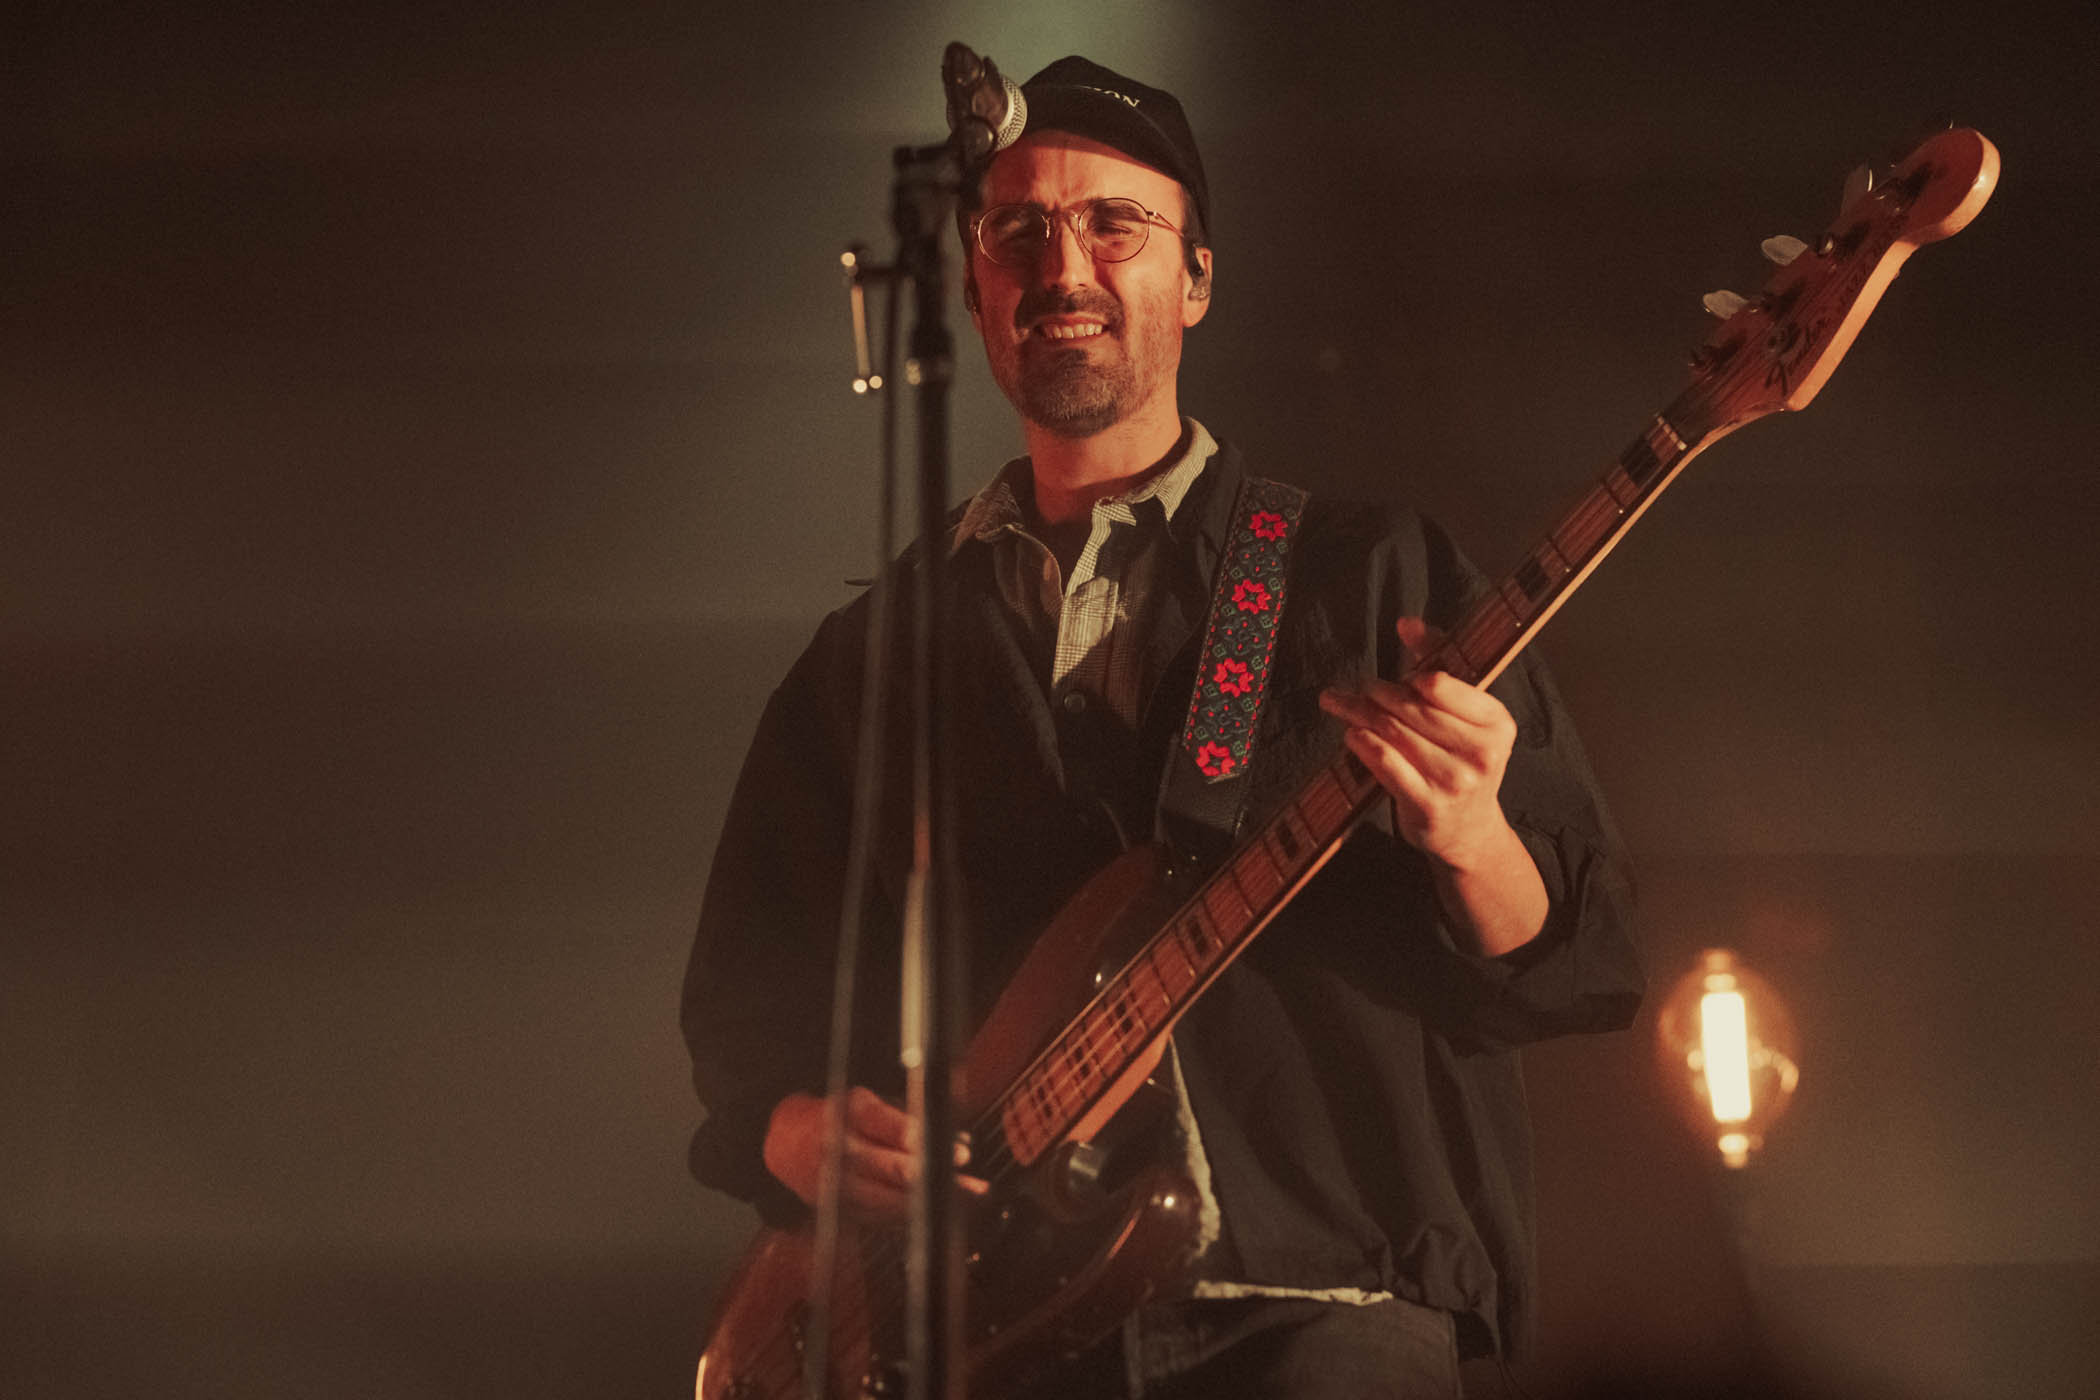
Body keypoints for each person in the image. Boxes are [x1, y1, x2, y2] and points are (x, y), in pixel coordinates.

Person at [683, 55, 1642, 1398]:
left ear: (1194, 279)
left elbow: (1584, 956)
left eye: (1114, 226)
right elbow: (745, 991)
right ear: (970, 288)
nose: (1062, 269)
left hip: (1319, 1306)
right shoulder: (874, 657)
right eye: (1018, 233)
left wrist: (1474, 833)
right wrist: (794, 1131)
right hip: (991, 1339)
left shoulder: (1369, 574)